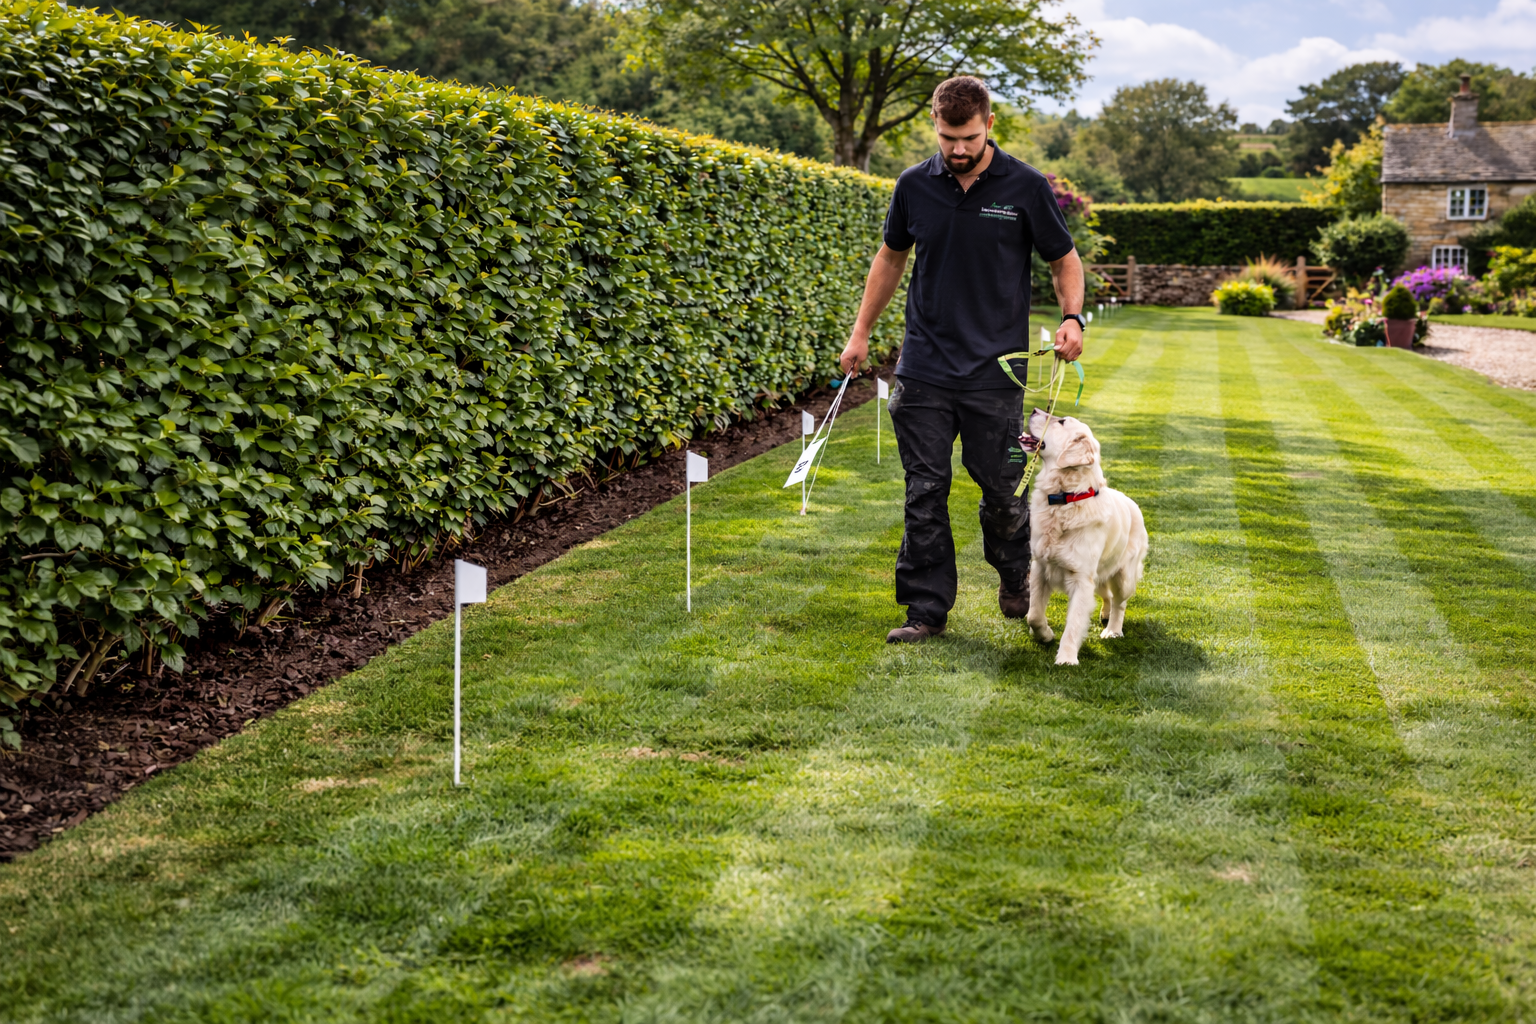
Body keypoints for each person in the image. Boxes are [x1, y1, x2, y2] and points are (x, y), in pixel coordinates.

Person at [838, 75, 1087, 644]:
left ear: (989, 125)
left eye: (969, 137)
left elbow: (1064, 258)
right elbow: (890, 258)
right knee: (924, 490)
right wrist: (860, 332)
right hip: (924, 367)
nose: (957, 149)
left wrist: (1073, 317)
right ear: (935, 125)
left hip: (995, 374)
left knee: (1002, 491)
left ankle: (1016, 576)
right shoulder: (913, 186)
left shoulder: (1024, 185)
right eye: (949, 137)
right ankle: (926, 611)